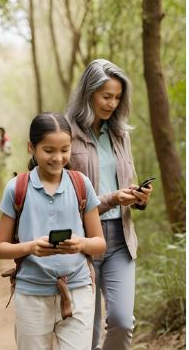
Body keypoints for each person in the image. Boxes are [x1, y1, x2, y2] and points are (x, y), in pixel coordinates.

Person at [0, 112, 106, 350]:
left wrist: (80, 244)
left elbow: (99, 243)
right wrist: (31, 247)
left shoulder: (81, 184)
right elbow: (0, 248)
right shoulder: (17, 188)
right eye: (49, 150)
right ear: (31, 148)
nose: (58, 158)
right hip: (31, 296)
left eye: (64, 150)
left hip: (78, 291)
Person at [65, 59, 153, 350]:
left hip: (120, 239)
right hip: (82, 241)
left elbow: (130, 178)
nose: (112, 103)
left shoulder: (120, 134)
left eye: (117, 97)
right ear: (88, 93)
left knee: (122, 321)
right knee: (85, 329)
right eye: (106, 96)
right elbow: (62, 195)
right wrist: (110, 198)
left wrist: (138, 196)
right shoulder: (66, 133)